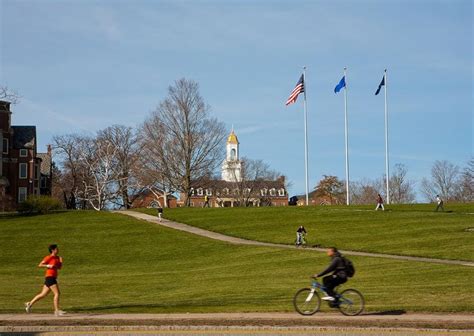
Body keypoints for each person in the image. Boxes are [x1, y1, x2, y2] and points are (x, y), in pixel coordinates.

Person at [25, 244, 66, 316]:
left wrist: (60, 261)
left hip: (53, 277)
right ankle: (56, 311)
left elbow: (59, 268)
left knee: (43, 294)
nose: (58, 250)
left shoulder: (58, 258)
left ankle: (29, 304)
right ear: (53, 250)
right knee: (57, 293)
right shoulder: (49, 257)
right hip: (50, 277)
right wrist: (48, 265)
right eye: (56, 249)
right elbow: (40, 264)